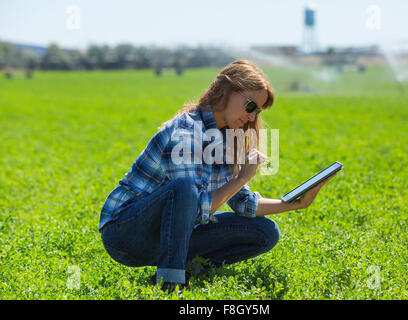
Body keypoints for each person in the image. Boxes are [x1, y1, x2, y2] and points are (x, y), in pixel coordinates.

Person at [99, 59, 335, 292]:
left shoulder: (226, 138)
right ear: (227, 92)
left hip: (168, 235)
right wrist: (241, 178)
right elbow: (194, 204)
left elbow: (243, 204)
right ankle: (170, 283)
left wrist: (293, 203)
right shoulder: (188, 131)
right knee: (183, 188)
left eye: (257, 111)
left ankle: (186, 268)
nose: (252, 117)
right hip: (125, 233)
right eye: (250, 106)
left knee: (265, 232)